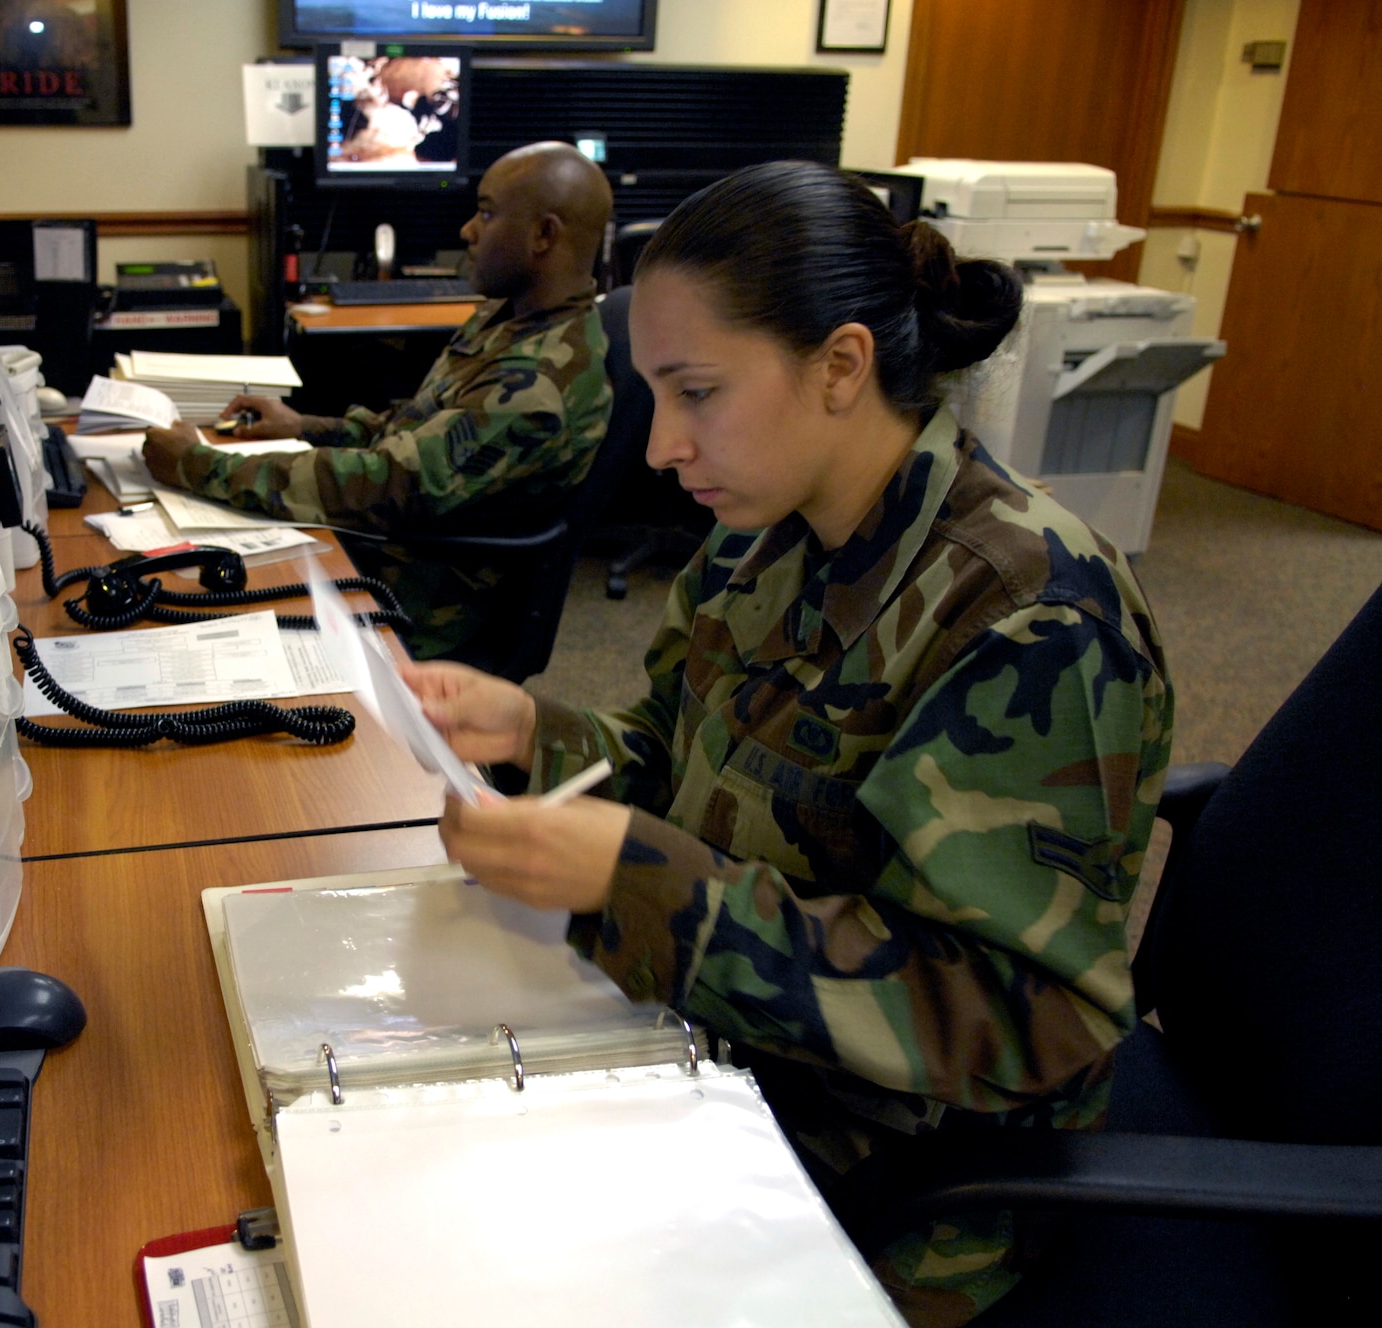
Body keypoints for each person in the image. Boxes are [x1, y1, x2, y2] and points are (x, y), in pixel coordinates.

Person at [401, 161, 1174, 1326]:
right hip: (731, 1055)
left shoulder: (1030, 618)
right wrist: (535, 731)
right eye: (652, 393)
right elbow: (678, 752)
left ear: (841, 364)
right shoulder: (766, 529)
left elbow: (1022, 1014)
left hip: (905, 1165)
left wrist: (642, 884)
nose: (661, 446)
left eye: (694, 392)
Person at [140, 141, 614, 663]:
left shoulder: (536, 386)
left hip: (416, 601)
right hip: (383, 550)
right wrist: (307, 425)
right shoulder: (512, 320)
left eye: (485, 213)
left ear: (544, 234)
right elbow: (415, 431)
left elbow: (384, 483)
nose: (468, 231)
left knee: (183, 624)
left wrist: (197, 465)